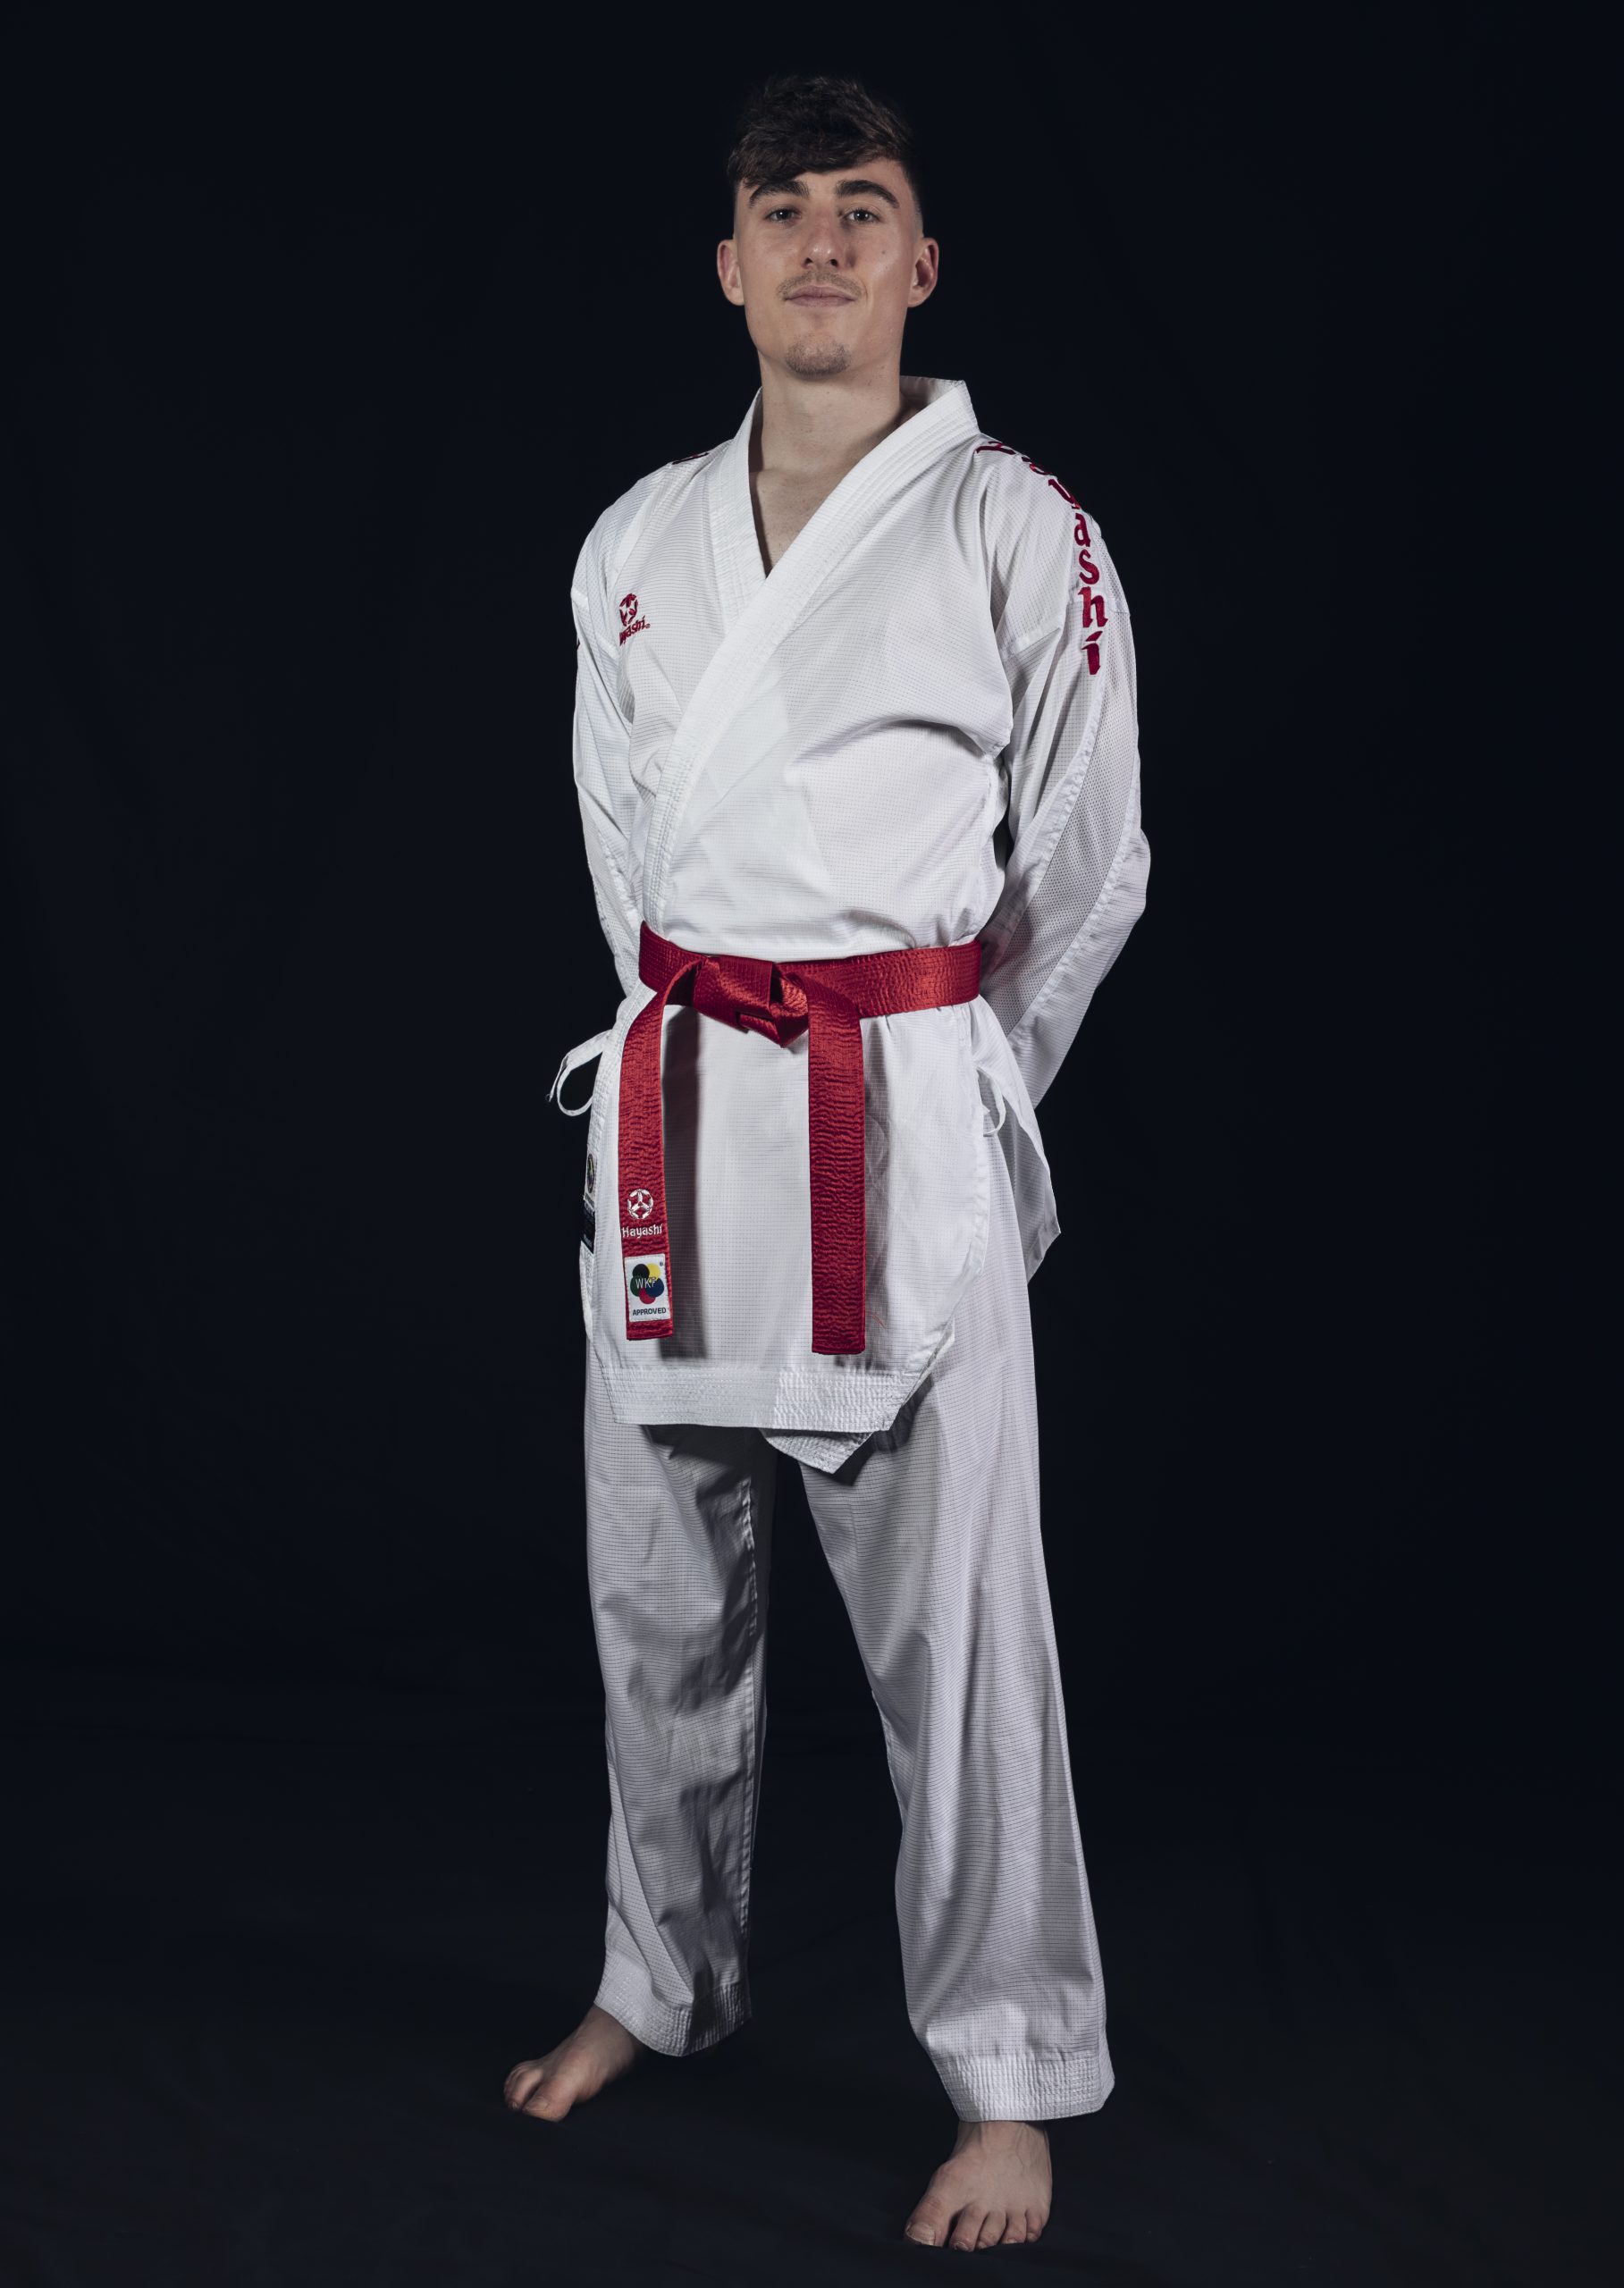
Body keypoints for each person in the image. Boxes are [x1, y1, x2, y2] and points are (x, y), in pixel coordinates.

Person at [504, 71, 1150, 2253]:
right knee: (655, 1595)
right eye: (783, 210)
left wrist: (961, 1087)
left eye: (861, 208)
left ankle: (1011, 2074)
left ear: (920, 263)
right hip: (684, 1110)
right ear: (729, 264)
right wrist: (698, 1038)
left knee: (957, 1639)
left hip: (902, 1108)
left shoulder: (1016, 529)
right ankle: (657, 1977)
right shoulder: (636, 539)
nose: (821, 243)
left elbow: (1089, 858)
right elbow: (624, 847)